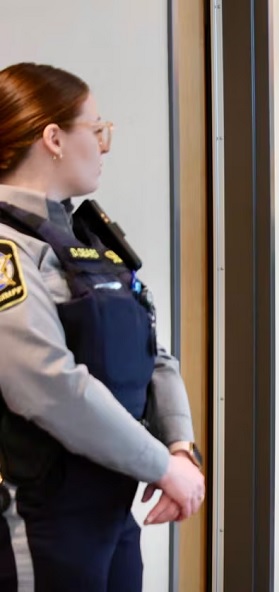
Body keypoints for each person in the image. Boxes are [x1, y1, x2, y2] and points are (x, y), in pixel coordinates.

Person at [0, 62, 205, 591]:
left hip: (113, 508)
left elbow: (153, 352)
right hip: (41, 519)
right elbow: (49, 387)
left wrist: (179, 445)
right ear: (53, 139)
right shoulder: (9, 251)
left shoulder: (85, 239)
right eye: (96, 129)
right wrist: (163, 467)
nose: (104, 146)